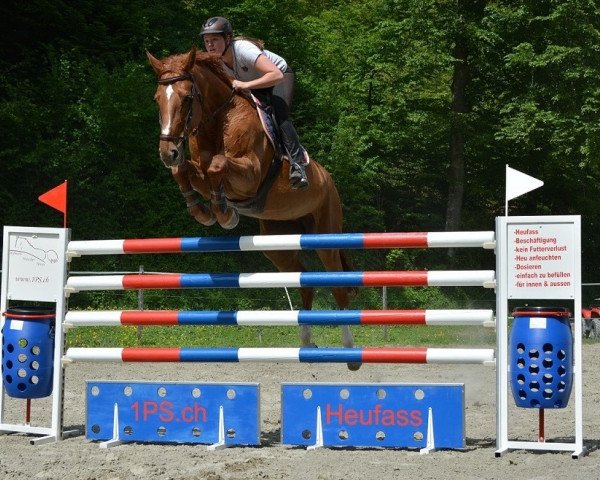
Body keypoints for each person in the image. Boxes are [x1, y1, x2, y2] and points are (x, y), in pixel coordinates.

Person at [200, 16, 309, 190]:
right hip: (252, 84)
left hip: (278, 77)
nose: (210, 45)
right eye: (207, 41)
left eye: (215, 39)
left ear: (227, 39)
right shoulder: (214, 61)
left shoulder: (243, 49)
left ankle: (298, 166)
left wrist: (246, 85)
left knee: (279, 114)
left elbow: (275, 75)